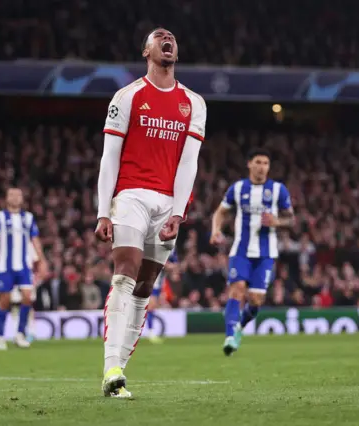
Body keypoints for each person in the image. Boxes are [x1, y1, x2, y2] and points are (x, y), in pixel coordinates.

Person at [95, 27, 206, 398]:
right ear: (147, 50)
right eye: (159, 37)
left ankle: (119, 372)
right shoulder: (127, 97)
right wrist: (102, 212)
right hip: (131, 195)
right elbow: (109, 157)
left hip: (166, 204)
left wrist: (179, 212)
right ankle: (110, 364)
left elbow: (189, 164)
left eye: (172, 37)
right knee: (124, 272)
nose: (168, 39)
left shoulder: (194, 103)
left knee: (145, 287)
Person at [210, 148, 294, 356]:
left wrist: (278, 221)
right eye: (258, 162)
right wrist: (215, 230)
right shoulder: (238, 189)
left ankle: (238, 326)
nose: (262, 167)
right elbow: (220, 212)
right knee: (237, 290)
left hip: (266, 254)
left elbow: (291, 219)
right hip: (241, 251)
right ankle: (230, 335)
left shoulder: (278, 190)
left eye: (266, 163)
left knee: (256, 300)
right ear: (249, 164)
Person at [0, 188, 47, 350]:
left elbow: (35, 239)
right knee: (4, 300)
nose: (15, 198)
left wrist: (42, 260)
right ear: (6, 198)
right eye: (12, 195)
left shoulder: (28, 218)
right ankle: (1, 336)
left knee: (27, 297)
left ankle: (19, 334)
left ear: (22, 199)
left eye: (18, 195)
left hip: (24, 266)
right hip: (5, 267)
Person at [146, 249, 178, 344]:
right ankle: (150, 332)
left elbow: (174, 263)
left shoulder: (172, 247)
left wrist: (169, 266)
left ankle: (150, 332)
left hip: (158, 279)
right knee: (151, 304)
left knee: (152, 305)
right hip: (149, 277)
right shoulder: (154, 243)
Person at [11, 242, 39, 342]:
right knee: (15, 305)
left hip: (27, 277)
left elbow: (36, 261)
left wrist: (35, 276)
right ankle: (18, 333)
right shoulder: (10, 244)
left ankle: (31, 332)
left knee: (28, 305)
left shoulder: (29, 244)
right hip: (13, 278)